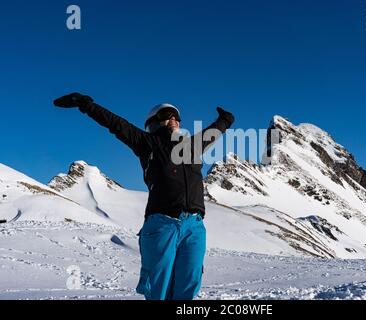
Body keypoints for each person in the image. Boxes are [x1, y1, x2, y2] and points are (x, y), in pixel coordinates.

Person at [53, 93, 235, 300]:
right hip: (162, 223)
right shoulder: (147, 143)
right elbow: (116, 124)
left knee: (189, 285)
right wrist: (86, 105)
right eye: (168, 114)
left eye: (177, 116)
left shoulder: (192, 146)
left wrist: (226, 119)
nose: (175, 119)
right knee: (159, 289)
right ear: (154, 122)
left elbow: (215, 132)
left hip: (194, 226)